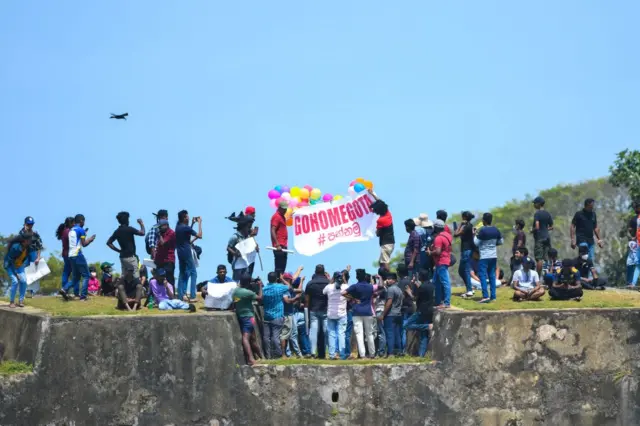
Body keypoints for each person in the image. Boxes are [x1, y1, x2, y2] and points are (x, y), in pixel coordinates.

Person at [59, 214, 96, 301]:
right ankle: (83, 296)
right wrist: (90, 239)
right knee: (86, 275)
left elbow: (77, 240)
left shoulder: (71, 230)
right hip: (78, 254)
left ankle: (64, 289)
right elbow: (84, 244)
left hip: (70, 255)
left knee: (76, 277)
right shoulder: (81, 230)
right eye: (84, 221)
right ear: (81, 221)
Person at [233, 274, 264, 365]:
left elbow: (234, 303)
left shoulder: (236, 291)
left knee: (253, 337)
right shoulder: (248, 293)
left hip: (241, 316)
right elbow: (260, 298)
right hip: (249, 317)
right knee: (246, 338)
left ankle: (260, 356)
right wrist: (260, 286)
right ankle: (250, 358)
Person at [345, 269, 376, 359]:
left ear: (357, 277)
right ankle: (372, 354)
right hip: (368, 311)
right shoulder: (371, 287)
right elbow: (377, 291)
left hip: (357, 311)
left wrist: (353, 298)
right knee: (369, 333)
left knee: (359, 334)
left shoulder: (354, 286)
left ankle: (362, 355)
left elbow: (343, 293)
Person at [473, 213, 503, 304]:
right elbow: (501, 242)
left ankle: (485, 296)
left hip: (484, 256)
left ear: (483, 220)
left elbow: (476, 243)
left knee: (482, 275)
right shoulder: (496, 230)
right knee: (492, 276)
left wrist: (475, 234)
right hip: (493, 256)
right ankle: (493, 296)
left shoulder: (482, 231)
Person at [262, 271, 293, 359]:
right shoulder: (280, 287)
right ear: (277, 279)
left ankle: (268, 355)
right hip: (278, 315)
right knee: (275, 336)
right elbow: (290, 287)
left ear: (268, 279)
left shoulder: (264, 289)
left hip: (267, 315)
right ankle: (278, 354)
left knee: (266, 337)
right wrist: (282, 279)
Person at [404, 270, 434, 357]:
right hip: (429, 311)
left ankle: (427, 326)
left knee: (406, 325)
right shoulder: (431, 285)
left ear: (421, 277)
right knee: (423, 335)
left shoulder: (422, 287)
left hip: (421, 311)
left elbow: (414, 298)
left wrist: (409, 291)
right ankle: (421, 355)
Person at [106, 212, 145, 279]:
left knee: (124, 276)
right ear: (126, 220)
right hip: (131, 257)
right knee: (136, 277)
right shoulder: (129, 229)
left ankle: (121, 288)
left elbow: (109, 243)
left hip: (122, 257)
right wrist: (141, 224)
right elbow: (142, 233)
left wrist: (119, 251)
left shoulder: (117, 231)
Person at [175, 210, 202, 302]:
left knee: (182, 273)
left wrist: (192, 224)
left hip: (179, 252)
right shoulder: (185, 228)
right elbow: (200, 235)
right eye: (187, 217)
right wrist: (199, 223)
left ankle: (181, 295)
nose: (189, 218)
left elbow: (187, 235)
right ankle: (193, 295)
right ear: (184, 218)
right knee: (193, 272)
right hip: (186, 252)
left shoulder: (178, 227)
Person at [324, 268, 350, 360]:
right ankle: (342, 355)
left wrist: (331, 280)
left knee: (331, 334)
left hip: (331, 314)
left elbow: (323, 292)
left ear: (334, 278)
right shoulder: (346, 287)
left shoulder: (328, 287)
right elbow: (349, 295)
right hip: (342, 314)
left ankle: (332, 355)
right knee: (341, 334)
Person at [305, 265, 330, 358]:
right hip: (325, 309)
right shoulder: (328, 283)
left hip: (313, 309)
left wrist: (307, 311)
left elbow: (307, 300)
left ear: (315, 272)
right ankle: (330, 352)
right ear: (324, 272)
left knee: (313, 331)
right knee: (326, 331)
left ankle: (312, 352)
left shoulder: (310, 283)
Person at [428, 219, 453, 309]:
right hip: (444, 260)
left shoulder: (438, 238)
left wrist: (430, 252)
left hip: (441, 261)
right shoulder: (448, 235)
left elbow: (438, 251)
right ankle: (438, 302)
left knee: (445, 282)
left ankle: (446, 303)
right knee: (436, 282)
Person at [378, 272, 404, 356]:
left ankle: (391, 352)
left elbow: (389, 302)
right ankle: (399, 351)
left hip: (390, 315)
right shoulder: (399, 289)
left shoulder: (390, 289)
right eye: (387, 279)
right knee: (397, 334)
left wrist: (383, 314)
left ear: (394, 280)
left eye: (390, 279)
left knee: (390, 334)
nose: (388, 281)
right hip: (398, 314)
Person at [4, 233, 33, 308]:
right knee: (15, 281)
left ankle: (21, 300)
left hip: (19, 265)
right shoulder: (15, 247)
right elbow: (11, 260)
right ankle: (11, 302)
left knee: (24, 281)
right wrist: (16, 273)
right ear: (24, 241)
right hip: (10, 265)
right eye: (29, 240)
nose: (30, 241)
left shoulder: (28, 247)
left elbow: (27, 257)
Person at [369, 189, 394, 270]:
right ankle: (384, 277)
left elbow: (378, 234)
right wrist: (372, 193)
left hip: (386, 243)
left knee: (385, 262)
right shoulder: (387, 213)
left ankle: (391, 278)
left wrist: (375, 229)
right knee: (381, 262)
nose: (374, 210)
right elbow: (380, 202)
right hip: (390, 242)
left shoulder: (381, 220)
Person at [281, 271, 303, 358]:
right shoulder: (285, 289)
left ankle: (292, 353)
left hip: (290, 313)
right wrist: (295, 298)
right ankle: (295, 354)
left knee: (292, 333)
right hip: (286, 314)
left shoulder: (290, 289)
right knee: (288, 334)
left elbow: (300, 290)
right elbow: (287, 300)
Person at [228, 216, 256, 281]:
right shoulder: (235, 237)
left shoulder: (247, 237)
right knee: (236, 281)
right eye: (248, 227)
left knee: (245, 279)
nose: (249, 228)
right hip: (237, 262)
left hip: (245, 261)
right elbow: (228, 248)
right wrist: (235, 253)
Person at [455, 211, 476, 298]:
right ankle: (469, 287)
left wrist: (460, 225)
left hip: (467, 250)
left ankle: (469, 291)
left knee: (466, 270)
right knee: (461, 271)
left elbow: (456, 234)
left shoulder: (467, 226)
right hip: (466, 250)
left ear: (464, 217)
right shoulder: (469, 226)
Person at [533, 196, 554, 275]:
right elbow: (551, 227)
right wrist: (545, 229)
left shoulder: (537, 214)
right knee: (547, 258)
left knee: (539, 259)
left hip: (539, 238)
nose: (534, 205)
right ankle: (549, 276)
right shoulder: (547, 214)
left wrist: (533, 230)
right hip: (547, 237)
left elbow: (537, 226)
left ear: (538, 204)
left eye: (535, 203)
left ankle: (538, 277)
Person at [396, 264, 415, 350]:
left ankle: (403, 349)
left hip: (404, 308)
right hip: (411, 306)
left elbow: (400, 296)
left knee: (403, 330)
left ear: (399, 273)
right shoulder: (411, 281)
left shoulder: (402, 282)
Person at [55, 217, 75, 295]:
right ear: (70, 223)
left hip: (65, 253)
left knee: (66, 272)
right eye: (73, 223)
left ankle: (64, 289)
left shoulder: (64, 231)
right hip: (69, 254)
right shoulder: (68, 232)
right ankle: (65, 288)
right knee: (75, 273)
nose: (74, 224)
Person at [153, 219, 176, 286]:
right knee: (159, 279)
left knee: (169, 279)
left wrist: (159, 235)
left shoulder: (171, 233)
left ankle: (171, 295)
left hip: (168, 260)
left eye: (160, 227)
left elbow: (163, 243)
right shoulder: (162, 233)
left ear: (166, 226)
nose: (159, 228)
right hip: (160, 260)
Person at [271, 200, 289, 274]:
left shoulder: (282, 217)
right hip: (279, 245)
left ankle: (279, 281)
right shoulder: (276, 216)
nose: (285, 210)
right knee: (279, 267)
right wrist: (277, 244)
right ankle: (277, 281)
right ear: (279, 208)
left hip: (283, 245)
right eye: (283, 209)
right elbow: (273, 230)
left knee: (282, 267)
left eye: (286, 209)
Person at [413, 213, 434, 279]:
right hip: (430, 252)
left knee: (420, 272)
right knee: (429, 271)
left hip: (421, 253)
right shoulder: (432, 230)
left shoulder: (420, 231)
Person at [627, 201, 640, 288]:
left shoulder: (638, 218)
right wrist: (633, 238)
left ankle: (633, 283)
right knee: (636, 264)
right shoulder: (635, 218)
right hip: (637, 243)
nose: (635, 209)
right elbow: (631, 230)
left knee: (638, 264)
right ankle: (632, 283)